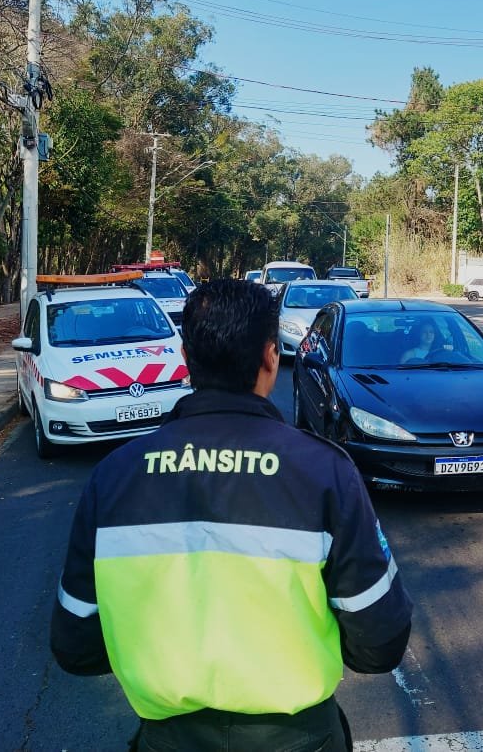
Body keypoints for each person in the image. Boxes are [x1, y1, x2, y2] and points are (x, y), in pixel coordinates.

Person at [50, 279, 413, 751]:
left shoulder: (114, 476)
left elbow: (75, 646)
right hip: (299, 739)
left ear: (185, 358)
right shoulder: (324, 472)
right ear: (270, 357)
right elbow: (380, 642)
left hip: (170, 738)